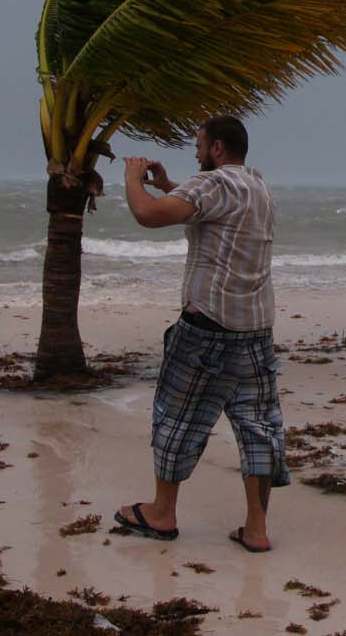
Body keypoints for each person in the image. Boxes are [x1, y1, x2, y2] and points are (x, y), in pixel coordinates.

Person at [113, 115, 288, 553]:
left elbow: (147, 215)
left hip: (207, 327)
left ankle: (162, 513)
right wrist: (170, 182)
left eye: (199, 145)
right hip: (255, 329)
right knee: (257, 427)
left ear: (217, 149)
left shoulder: (212, 185)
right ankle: (256, 529)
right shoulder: (258, 187)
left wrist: (133, 178)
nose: (195, 153)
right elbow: (205, 207)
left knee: (176, 417)